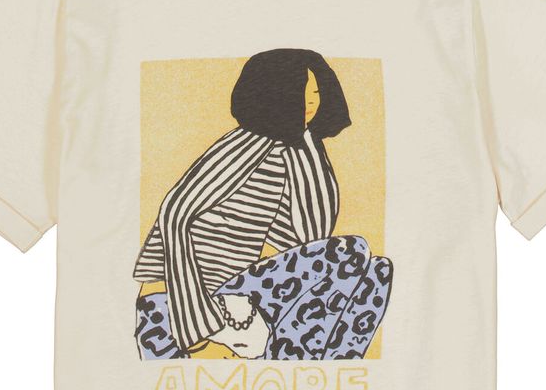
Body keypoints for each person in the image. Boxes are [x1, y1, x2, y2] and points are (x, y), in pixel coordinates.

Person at [133, 48, 393, 360]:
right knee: (351, 252)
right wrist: (200, 320)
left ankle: (306, 364)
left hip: (235, 291)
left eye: (316, 93)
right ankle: (285, 354)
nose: (312, 102)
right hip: (179, 299)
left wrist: (308, 142)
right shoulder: (242, 147)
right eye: (301, 92)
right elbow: (174, 214)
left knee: (378, 274)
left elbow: (307, 237)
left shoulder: (291, 153)